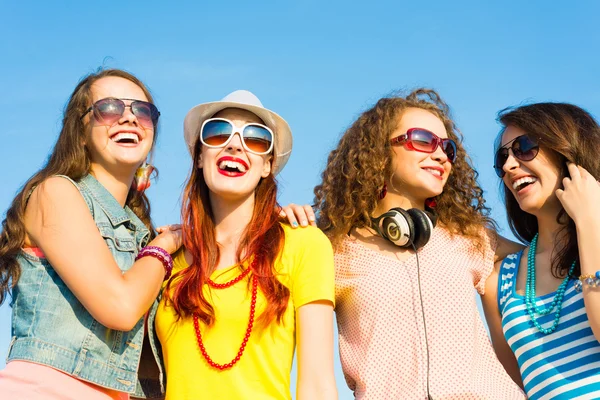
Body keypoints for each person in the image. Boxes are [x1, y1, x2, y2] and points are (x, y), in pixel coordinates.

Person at [312, 88, 526, 399]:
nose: (441, 155)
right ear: (379, 151)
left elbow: (548, 255)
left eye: (447, 148)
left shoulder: (469, 236)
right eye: (423, 140)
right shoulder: (334, 250)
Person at [0, 68, 182, 400]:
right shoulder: (54, 193)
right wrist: (167, 244)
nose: (129, 119)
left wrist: (276, 220)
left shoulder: (142, 234)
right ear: (81, 131)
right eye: (110, 108)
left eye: (142, 111)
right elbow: (121, 307)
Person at [145, 90, 337, 400]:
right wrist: (161, 248)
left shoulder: (304, 244)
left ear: (267, 166)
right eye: (218, 133)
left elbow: (317, 385)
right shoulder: (168, 257)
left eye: (256, 139)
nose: (235, 145)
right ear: (198, 156)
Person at [483, 102, 600, 399]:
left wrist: (588, 221)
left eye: (524, 147)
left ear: (566, 149)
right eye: (502, 158)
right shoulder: (499, 279)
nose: (509, 166)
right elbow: (517, 386)